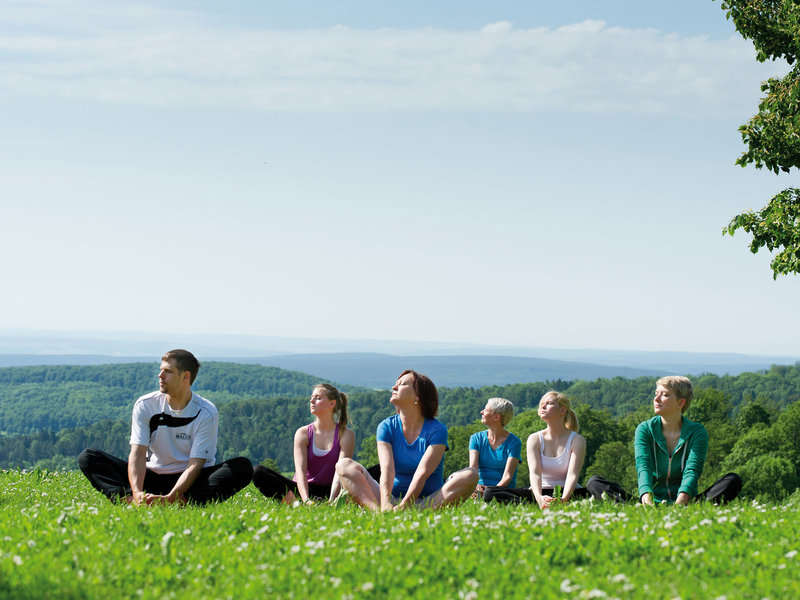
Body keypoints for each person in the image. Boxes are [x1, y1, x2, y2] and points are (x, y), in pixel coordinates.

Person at [78, 349, 253, 506]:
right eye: (161, 370)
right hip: (152, 475)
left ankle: (179, 503)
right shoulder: (145, 404)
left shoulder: (206, 411)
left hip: (191, 481)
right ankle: (132, 502)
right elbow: (138, 453)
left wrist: (171, 497)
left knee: (242, 467)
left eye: (168, 371)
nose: (160, 376)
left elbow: (195, 464)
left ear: (185, 376)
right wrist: (137, 492)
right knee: (89, 457)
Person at [586, 376, 742, 505]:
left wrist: (680, 503)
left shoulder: (697, 432)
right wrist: (647, 499)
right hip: (649, 501)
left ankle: (691, 507)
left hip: (686, 501)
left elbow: (692, 470)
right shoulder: (645, 429)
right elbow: (643, 467)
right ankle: (640, 507)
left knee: (732, 480)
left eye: (665, 395)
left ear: (680, 402)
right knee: (594, 483)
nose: (656, 399)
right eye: (656, 393)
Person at [335, 370, 478, 510]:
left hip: (429, 500)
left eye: (402, 384)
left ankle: (416, 510)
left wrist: (404, 505)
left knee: (470, 475)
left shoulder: (437, 430)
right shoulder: (386, 427)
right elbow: (387, 469)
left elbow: (423, 472)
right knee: (344, 465)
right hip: (391, 498)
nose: (394, 387)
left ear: (418, 396)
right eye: (396, 383)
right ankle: (378, 512)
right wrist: (385, 503)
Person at [252, 383, 355, 504]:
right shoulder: (303, 433)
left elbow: (341, 472)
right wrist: (306, 500)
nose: (311, 401)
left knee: (373, 472)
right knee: (257, 472)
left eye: (318, 398)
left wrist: (332, 500)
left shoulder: (346, 434)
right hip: (303, 490)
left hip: (332, 489)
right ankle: (298, 504)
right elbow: (300, 471)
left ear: (331, 404)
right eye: (312, 397)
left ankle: (325, 501)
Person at [484, 391, 589, 507]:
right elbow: (535, 474)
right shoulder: (534, 439)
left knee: (595, 485)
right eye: (542, 404)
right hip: (538, 492)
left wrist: (563, 500)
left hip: (569, 492)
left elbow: (572, 475)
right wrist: (539, 499)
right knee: (490, 492)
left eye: (548, 403)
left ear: (562, 410)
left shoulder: (577, 440)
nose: (543, 406)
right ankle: (539, 503)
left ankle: (557, 503)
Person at [468, 398, 522, 498]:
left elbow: (508, 476)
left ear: (496, 417)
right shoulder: (476, 438)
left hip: (502, 491)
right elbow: (473, 469)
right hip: (478, 489)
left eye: (485, 410)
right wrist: (475, 487)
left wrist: (491, 492)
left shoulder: (514, 442)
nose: (481, 412)